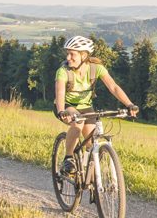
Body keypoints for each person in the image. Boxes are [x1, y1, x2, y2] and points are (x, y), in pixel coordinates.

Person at [54, 36, 138, 175]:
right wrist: (62, 111)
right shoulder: (63, 71)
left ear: (84, 55)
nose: (68, 57)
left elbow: (114, 87)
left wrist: (129, 104)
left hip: (86, 107)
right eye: (67, 54)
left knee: (92, 147)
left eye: (72, 54)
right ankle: (68, 159)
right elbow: (60, 93)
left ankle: (94, 187)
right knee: (78, 122)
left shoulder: (96, 69)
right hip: (67, 106)